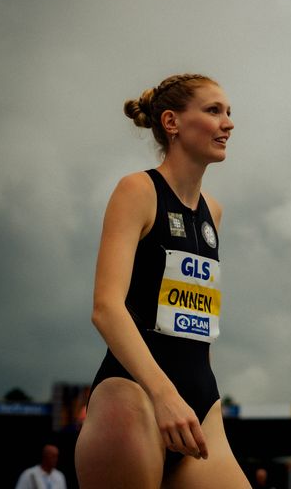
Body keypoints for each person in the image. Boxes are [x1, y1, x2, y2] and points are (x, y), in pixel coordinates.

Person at [75, 74, 251, 488]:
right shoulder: (137, 189)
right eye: (213, 111)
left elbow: (196, 317)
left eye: (228, 112)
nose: (228, 123)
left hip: (200, 405)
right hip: (134, 394)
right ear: (171, 122)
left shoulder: (214, 212)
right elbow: (106, 309)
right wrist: (163, 394)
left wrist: (199, 396)